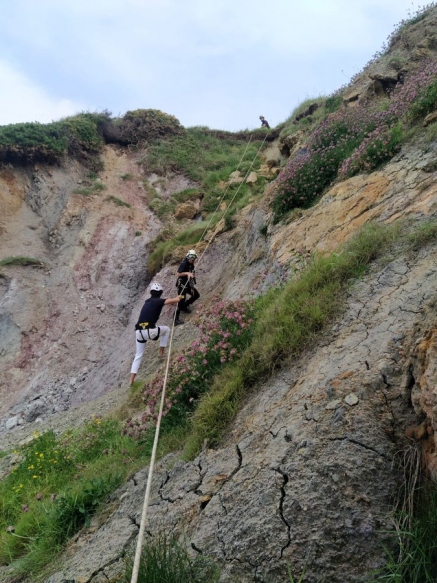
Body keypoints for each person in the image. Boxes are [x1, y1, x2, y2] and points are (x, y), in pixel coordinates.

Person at [129, 282, 181, 385]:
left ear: (151, 292)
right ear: (160, 292)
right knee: (166, 329)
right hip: (150, 331)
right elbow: (175, 300)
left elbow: (164, 301)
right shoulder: (158, 301)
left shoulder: (147, 301)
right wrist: (178, 297)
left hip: (139, 332)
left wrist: (169, 300)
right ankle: (161, 353)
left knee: (138, 355)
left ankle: (131, 380)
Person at [174, 249, 200, 325]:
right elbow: (178, 274)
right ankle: (175, 319)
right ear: (188, 257)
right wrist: (187, 273)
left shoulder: (191, 263)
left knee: (196, 295)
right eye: (191, 257)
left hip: (188, 284)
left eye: (194, 257)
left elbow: (191, 272)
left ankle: (185, 306)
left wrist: (193, 281)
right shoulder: (184, 263)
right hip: (182, 285)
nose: (193, 259)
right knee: (180, 301)